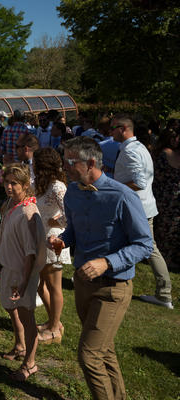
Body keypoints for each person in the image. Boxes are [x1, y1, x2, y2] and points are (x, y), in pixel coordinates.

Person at [50, 137, 152, 400]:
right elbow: (74, 230)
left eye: (70, 162)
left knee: (89, 355)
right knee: (103, 350)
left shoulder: (123, 196)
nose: (65, 168)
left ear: (91, 163)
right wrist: (64, 239)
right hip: (84, 285)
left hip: (113, 289)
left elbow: (144, 244)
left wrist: (107, 262)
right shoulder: (73, 191)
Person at [0, 164, 46, 381]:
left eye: (14, 183)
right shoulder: (11, 205)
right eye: (6, 182)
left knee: (27, 318)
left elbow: (30, 253)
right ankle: (20, 345)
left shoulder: (28, 213)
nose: (8, 187)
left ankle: (30, 363)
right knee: (10, 308)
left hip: (21, 272)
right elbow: (8, 229)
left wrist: (25, 283)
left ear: (26, 185)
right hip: (9, 268)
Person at [112, 114, 173, 309]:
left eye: (113, 128)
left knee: (149, 249)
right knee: (142, 247)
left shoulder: (131, 151)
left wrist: (114, 187)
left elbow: (139, 182)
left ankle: (164, 294)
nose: (110, 131)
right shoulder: (139, 148)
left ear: (123, 129)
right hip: (143, 205)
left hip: (137, 207)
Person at [33, 148, 70, 344]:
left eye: (35, 162)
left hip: (55, 240)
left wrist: (57, 222)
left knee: (54, 286)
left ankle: (55, 329)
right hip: (40, 239)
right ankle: (52, 320)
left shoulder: (58, 187)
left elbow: (70, 214)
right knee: (40, 285)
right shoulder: (41, 183)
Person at [152, 128, 180, 270]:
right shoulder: (168, 154)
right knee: (172, 228)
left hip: (164, 197)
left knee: (164, 228)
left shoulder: (164, 154)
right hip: (172, 198)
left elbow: (157, 176)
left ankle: (165, 258)